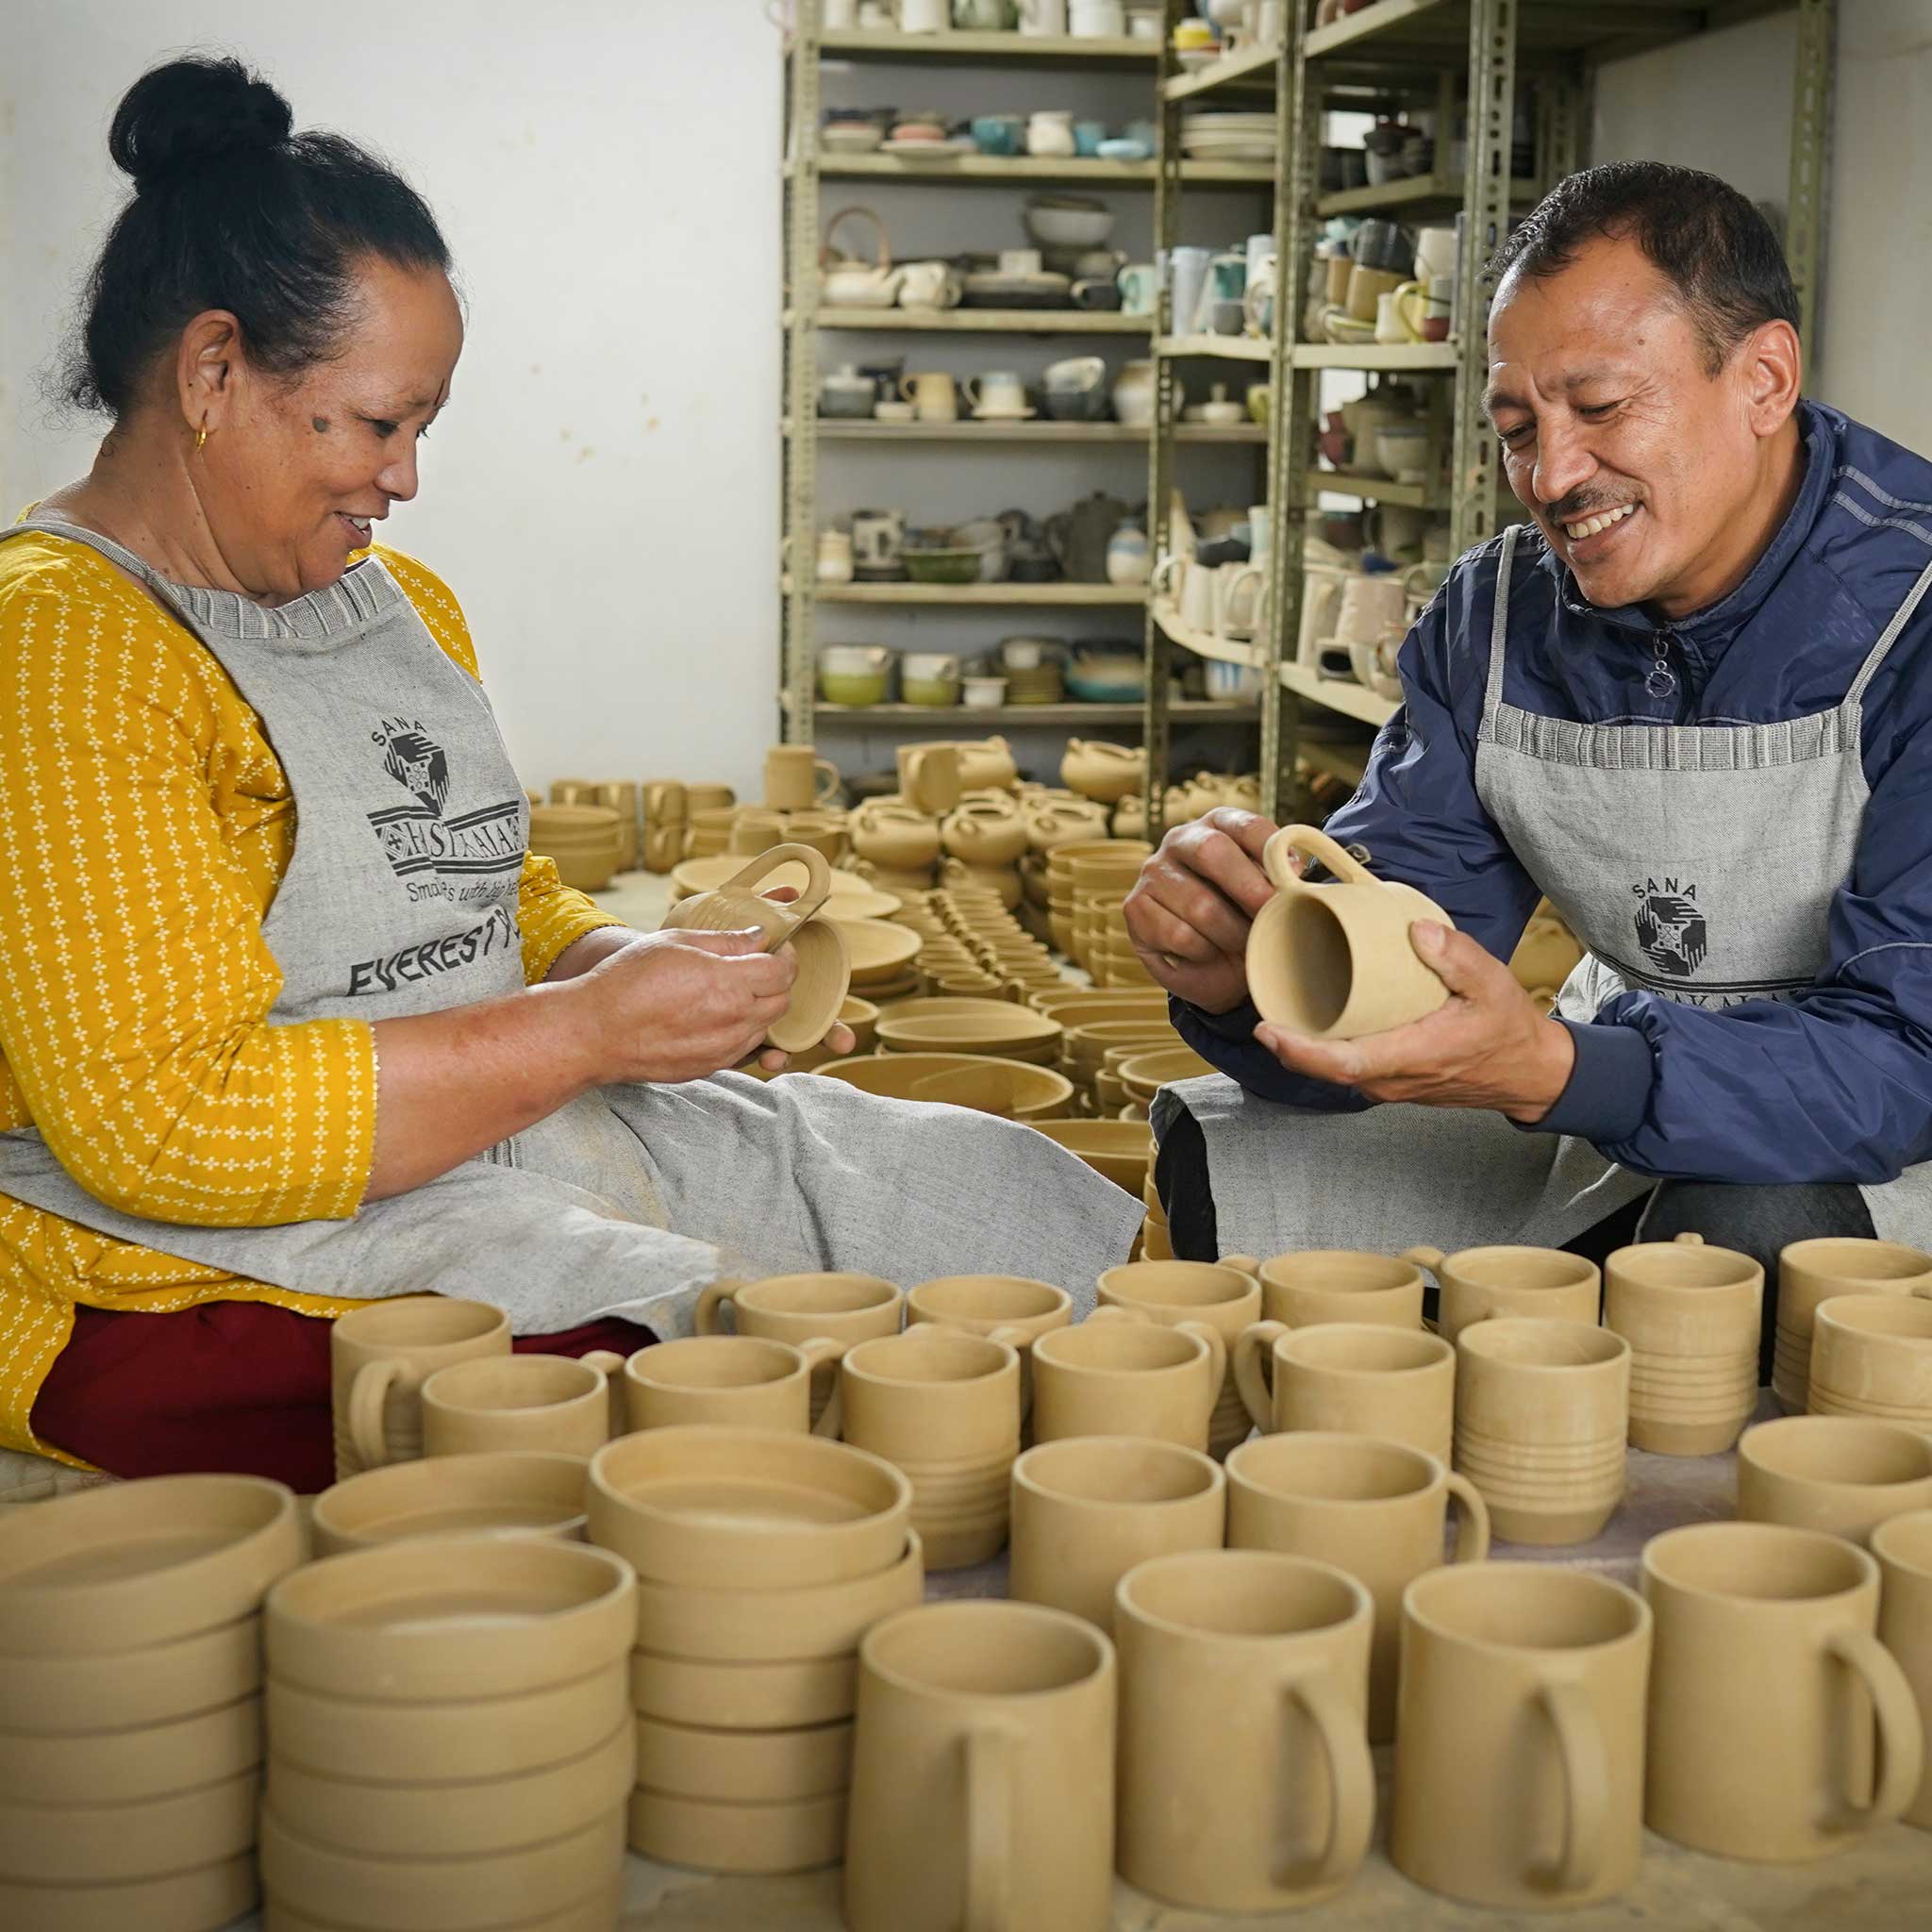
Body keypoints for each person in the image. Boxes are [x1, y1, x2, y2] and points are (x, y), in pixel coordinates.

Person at [0, 57, 1139, 1490]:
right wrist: (588, 1034)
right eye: (372, 424)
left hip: (485, 1120)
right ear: (216, 372)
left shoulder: (392, 603)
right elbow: (162, 1124)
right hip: (188, 1243)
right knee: (706, 1360)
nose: (404, 478)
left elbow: (481, 891)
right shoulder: (64, 642)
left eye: (424, 427)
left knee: (971, 1187)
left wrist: (644, 974)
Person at [1126, 161, 1932, 1366]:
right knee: (1229, 1143)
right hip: (1597, 1093)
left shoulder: (1911, 613)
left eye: (1601, 408)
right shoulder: (1492, 619)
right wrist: (1240, 963)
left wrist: (1553, 1065)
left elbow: (1903, 1058)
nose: (1551, 477)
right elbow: (1397, 964)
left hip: (1881, 1146)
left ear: (1761, 378)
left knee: (1735, 1239)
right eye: (1516, 428)